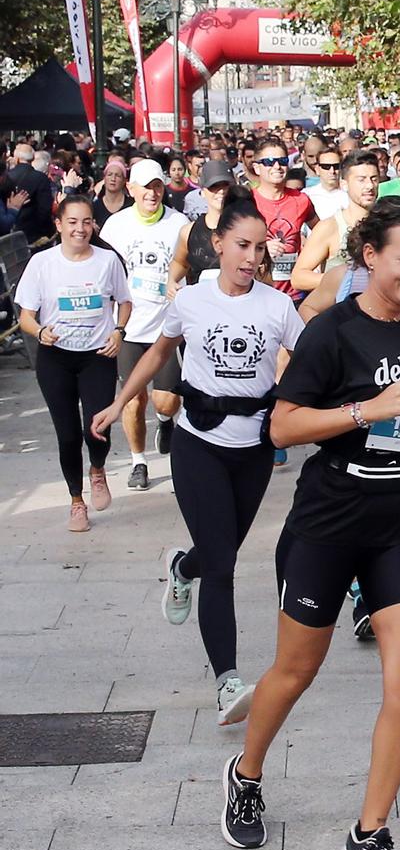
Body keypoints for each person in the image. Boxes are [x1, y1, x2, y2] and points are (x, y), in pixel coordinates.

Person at [222, 197, 400, 850]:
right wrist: (367, 411)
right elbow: (282, 427)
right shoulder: (330, 331)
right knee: (294, 673)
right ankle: (247, 775)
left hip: (396, 519)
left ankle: (370, 835)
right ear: (370, 257)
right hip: (328, 520)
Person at [95, 201, 301, 726]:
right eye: (242, 246)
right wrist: (121, 402)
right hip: (198, 443)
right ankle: (227, 682)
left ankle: (181, 567)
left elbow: (313, 361)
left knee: (218, 552)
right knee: (225, 566)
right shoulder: (191, 300)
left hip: (253, 448)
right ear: (220, 245)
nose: (252, 258)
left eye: (260, 248)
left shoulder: (277, 309)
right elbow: (158, 353)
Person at [16, 193, 130, 531]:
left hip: (98, 355)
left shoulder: (108, 260)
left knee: (97, 427)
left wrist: (119, 332)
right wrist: (40, 332)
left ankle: (97, 468)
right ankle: (76, 501)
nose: (80, 229)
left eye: (85, 222)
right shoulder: (42, 263)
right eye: (72, 222)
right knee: (67, 436)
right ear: (59, 225)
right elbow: (25, 317)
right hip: (56, 359)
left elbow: (124, 302)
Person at [101, 159, 191, 491]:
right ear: (131, 189)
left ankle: (166, 421)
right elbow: (103, 272)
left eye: (156, 186)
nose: (151, 194)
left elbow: (188, 265)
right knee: (132, 398)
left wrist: (181, 285)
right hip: (127, 327)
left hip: (165, 328)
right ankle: (139, 462)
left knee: (165, 400)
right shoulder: (114, 226)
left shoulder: (178, 223)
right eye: (144, 187)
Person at [291, 149, 381, 297]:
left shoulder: (387, 224)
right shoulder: (330, 227)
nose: (369, 186)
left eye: (374, 178)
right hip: (341, 312)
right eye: (361, 179)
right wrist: (347, 281)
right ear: (344, 184)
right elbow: (299, 278)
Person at [246, 135, 315, 294]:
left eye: (282, 161)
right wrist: (261, 249)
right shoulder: (247, 201)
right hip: (258, 292)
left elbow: (321, 231)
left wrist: (309, 252)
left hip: (295, 294)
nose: (277, 166)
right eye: (269, 162)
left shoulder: (301, 199)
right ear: (257, 168)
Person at [173, 162, 253, 289]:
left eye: (226, 186)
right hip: (200, 306)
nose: (221, 191)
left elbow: (263, 275)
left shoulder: (248, 230)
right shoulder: (189, 232)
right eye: (214, 186)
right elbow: (180, 263)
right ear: (203, 192)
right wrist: (171, 282)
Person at [9, 136, 55, 247]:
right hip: (34, 233)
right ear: (33, 158)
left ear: (17, 159)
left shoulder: (7, 177)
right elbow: (45, 209)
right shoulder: (40, 178)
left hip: (10, 231)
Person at [305, 143, 350, 224]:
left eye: (336, 166)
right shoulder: (306, 196)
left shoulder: (351, 195)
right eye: (326, 167)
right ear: (317, 169)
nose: (332, 171)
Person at [91, 156, 132, 227]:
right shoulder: (94, 206)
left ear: (124, 180)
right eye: (109, 175)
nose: (113, 179)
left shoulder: (131, 205)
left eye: (118, 176)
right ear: (104, 178)